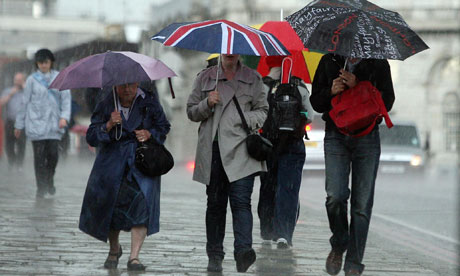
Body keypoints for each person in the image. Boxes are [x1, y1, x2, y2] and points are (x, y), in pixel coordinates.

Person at [310, 53, 395, 276]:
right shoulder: (330, 60)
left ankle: (354, 264)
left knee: (362, 205)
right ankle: (339, 243)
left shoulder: (378, 63)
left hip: (367, 137)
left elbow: (387, 101)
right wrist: (330, 91)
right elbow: (316, 102)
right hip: (336, 135)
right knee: (335, 196)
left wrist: (360, 85)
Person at [187, 54, 268, 273]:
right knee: (215, 205)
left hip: (242, 149)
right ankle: (214, 255)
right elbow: (191, 111)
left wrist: (244, 120)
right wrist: (207, 103)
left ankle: (243, 251)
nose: (230, 52)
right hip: (213, 150)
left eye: (234, 48)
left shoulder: (253, 78)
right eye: (226, 48)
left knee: (241, 202)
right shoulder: (205, 78)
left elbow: (263, 110)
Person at [79, 82, 170, 271]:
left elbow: (163, 126)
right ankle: (114, 249)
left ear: (137, 84)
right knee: (112, 209)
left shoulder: (149, 101)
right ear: (115, 87)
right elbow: (91, 136)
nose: (126, 90)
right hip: (113, 165)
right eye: (122, 86)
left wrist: (150, 134)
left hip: (142, 163)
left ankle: (134, 257)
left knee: (142, 208)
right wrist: (109, 124)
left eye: (130, 86)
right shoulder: (106, 102)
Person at [257, 58, 312, 249]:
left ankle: (267, 229)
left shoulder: (263, 85)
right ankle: (284, 234)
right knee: (288, 189)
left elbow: (257, 111)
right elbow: (310, 115)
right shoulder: (299, 86)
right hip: (293, 144)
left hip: (268, 144)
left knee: (268, 187)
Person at [14, 49, 71, 198]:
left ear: (51, 62)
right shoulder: (32, 80)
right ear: (37, 63)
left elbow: (66, 100)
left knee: (53, 155)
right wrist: (19, 125)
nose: (43, 65)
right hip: (36, 124)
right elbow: (24, 103)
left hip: (54, 124)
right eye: (40, 62)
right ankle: (41, 187)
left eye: (46, 62)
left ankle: (49, 179)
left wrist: (64, 117)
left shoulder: (60, 78)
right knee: (39, 157)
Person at [0, 72, 26, 170]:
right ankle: (12, 162)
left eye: (20, 80)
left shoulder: (27, 91)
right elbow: (1, 103)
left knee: (21, 144)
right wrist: (11, 94)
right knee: (9, 144)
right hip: (10, 121)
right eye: (16, 80)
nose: (18, 82)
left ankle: (19, 165)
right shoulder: (8, 91)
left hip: (22, 123)